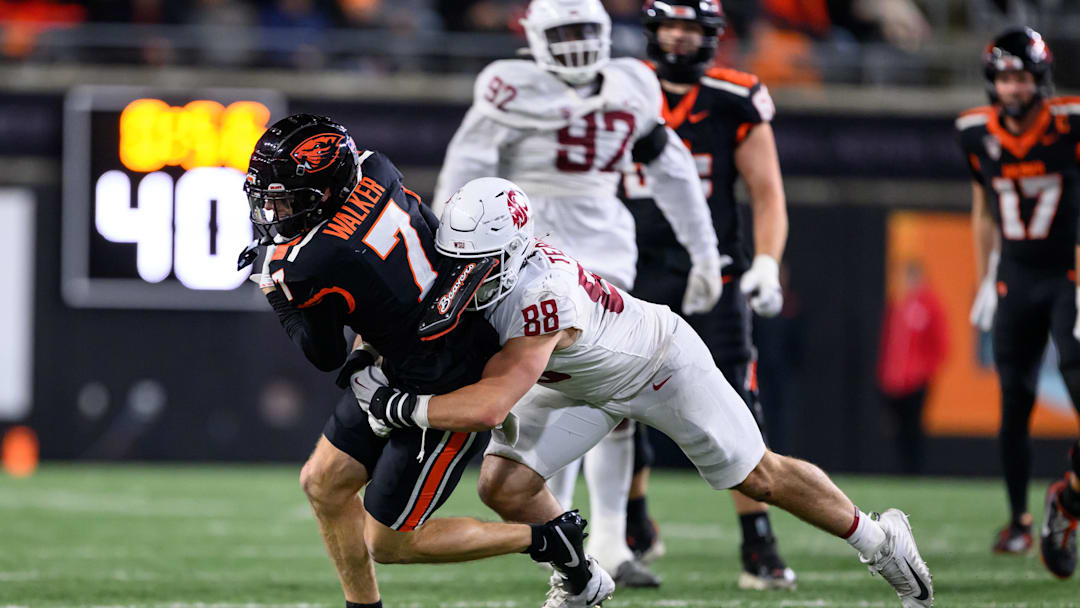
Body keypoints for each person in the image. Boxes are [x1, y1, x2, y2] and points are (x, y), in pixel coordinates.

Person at [354, 177, 935, 608]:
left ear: (514, 251)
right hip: (574, 384)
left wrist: (398, 407)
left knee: (759, 476)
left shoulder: (542, 295)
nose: (465, 274)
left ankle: (880, 539)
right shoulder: (472, 261)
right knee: (504, 486)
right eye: (459, 260)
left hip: (658, 365)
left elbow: (489, 406)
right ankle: (581, 579)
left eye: (479, 262)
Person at [241, 114, 614, 608]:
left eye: (288, 199)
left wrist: (278, 293)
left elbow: (323, 353)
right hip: (403, 353)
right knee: (323, 483)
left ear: (327, 190)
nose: (276, 211)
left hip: (440, 377)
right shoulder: (378, 170)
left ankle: (547, 538)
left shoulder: (314, 260)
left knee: (390, 543)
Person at [432, 0, 724, 587]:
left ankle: (612, 541)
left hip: (606, 247)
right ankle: (566, 540)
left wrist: (705, 249)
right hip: (527, 250)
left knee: (617, 398)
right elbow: (464, 173)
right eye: (562, 32)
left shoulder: (631, 84)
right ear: (535, 36)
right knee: (545, 396)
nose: (575, 44)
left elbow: (672, 171)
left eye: (584, 31)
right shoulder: (507, 87)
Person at [619, 0, 796, 590]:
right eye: (670, 24)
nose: (677, 37)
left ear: (712, 36)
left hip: (709, 269)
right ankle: (631, 521)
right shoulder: (619, 88)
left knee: (738, 403)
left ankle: (758, 541)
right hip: (629, 267)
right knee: (612, 397)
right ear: (651, 29)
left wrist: (767, 262)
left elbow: (767, 193)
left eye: (690, 27)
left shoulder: (732, 97)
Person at [958, 27, 1080, 564]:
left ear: (1040, 80)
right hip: (1015, 277)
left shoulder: (1068, 125)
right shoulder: (974, 132)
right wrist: (986, 274)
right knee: (1015, 404)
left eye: (1022, 77)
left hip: (1068, 275)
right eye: (1005, 77)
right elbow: (983, 207)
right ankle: (1018, 521)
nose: (1012, 88)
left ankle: (1068, 497)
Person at [877, 260, 948, 475]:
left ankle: (914, 472)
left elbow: (941, 344)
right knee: (897, 430)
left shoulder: (930, 304)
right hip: (894, 382)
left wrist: (924, 371)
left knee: (913, 429)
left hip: (916, 381)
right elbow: (889, 343)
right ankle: (901, 471)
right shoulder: (898, 304)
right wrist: (885, 374)